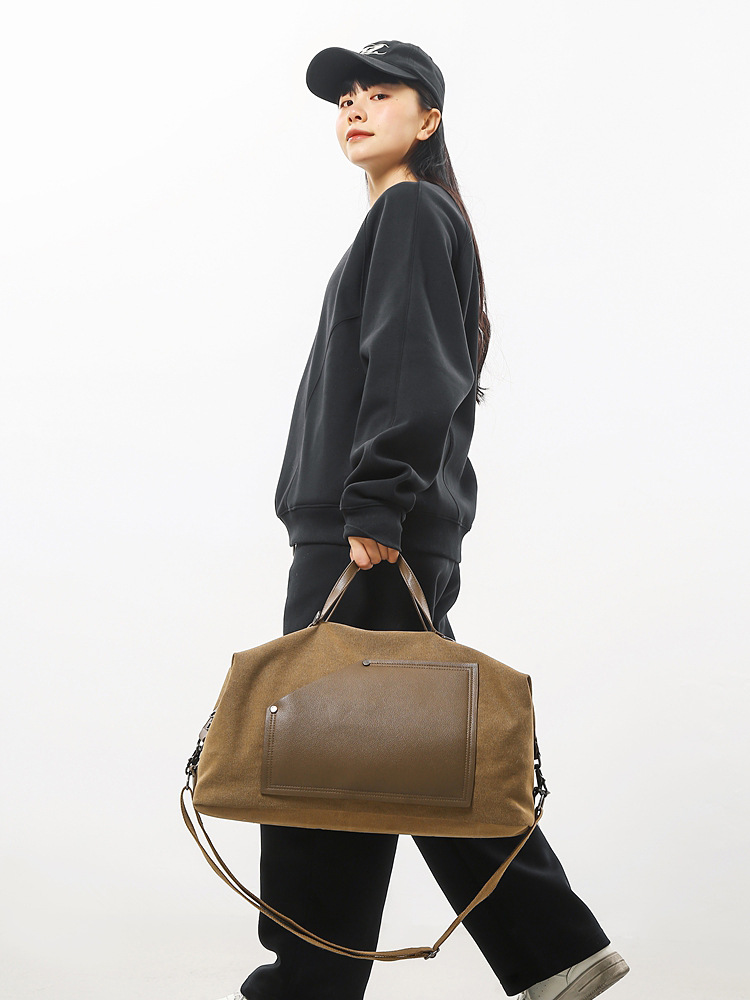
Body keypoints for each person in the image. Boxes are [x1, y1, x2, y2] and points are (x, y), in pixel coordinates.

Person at [216, 39, 630, 1000]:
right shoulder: (408, 218)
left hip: (367, 527)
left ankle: (316, 979)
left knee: (324, 750)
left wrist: (373, 499)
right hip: (376, 522)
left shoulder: (408, 211)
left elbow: (415, 364)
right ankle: (551, 955)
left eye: (379, 92)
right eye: (345, 98)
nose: (355, 107)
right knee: (383, 751)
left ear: (428, 119)